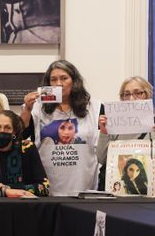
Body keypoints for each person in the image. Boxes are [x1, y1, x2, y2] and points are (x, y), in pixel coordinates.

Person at [21, 60, 99, 196]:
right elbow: (20, 135)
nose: (58, 84)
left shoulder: (94, 107)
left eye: (64, 78)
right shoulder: (38, 107)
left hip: (83, 186)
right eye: (53, 79)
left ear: (74, 81)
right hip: (48, 186)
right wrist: (27, 109)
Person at [96, 77, 155, 188]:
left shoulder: (153, 123)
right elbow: (101, 158)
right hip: (116, 188)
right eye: (126, 94)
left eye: (138, 93)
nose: (131, 99)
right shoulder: (113, 123)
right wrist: (104, 132)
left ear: (146, 95)